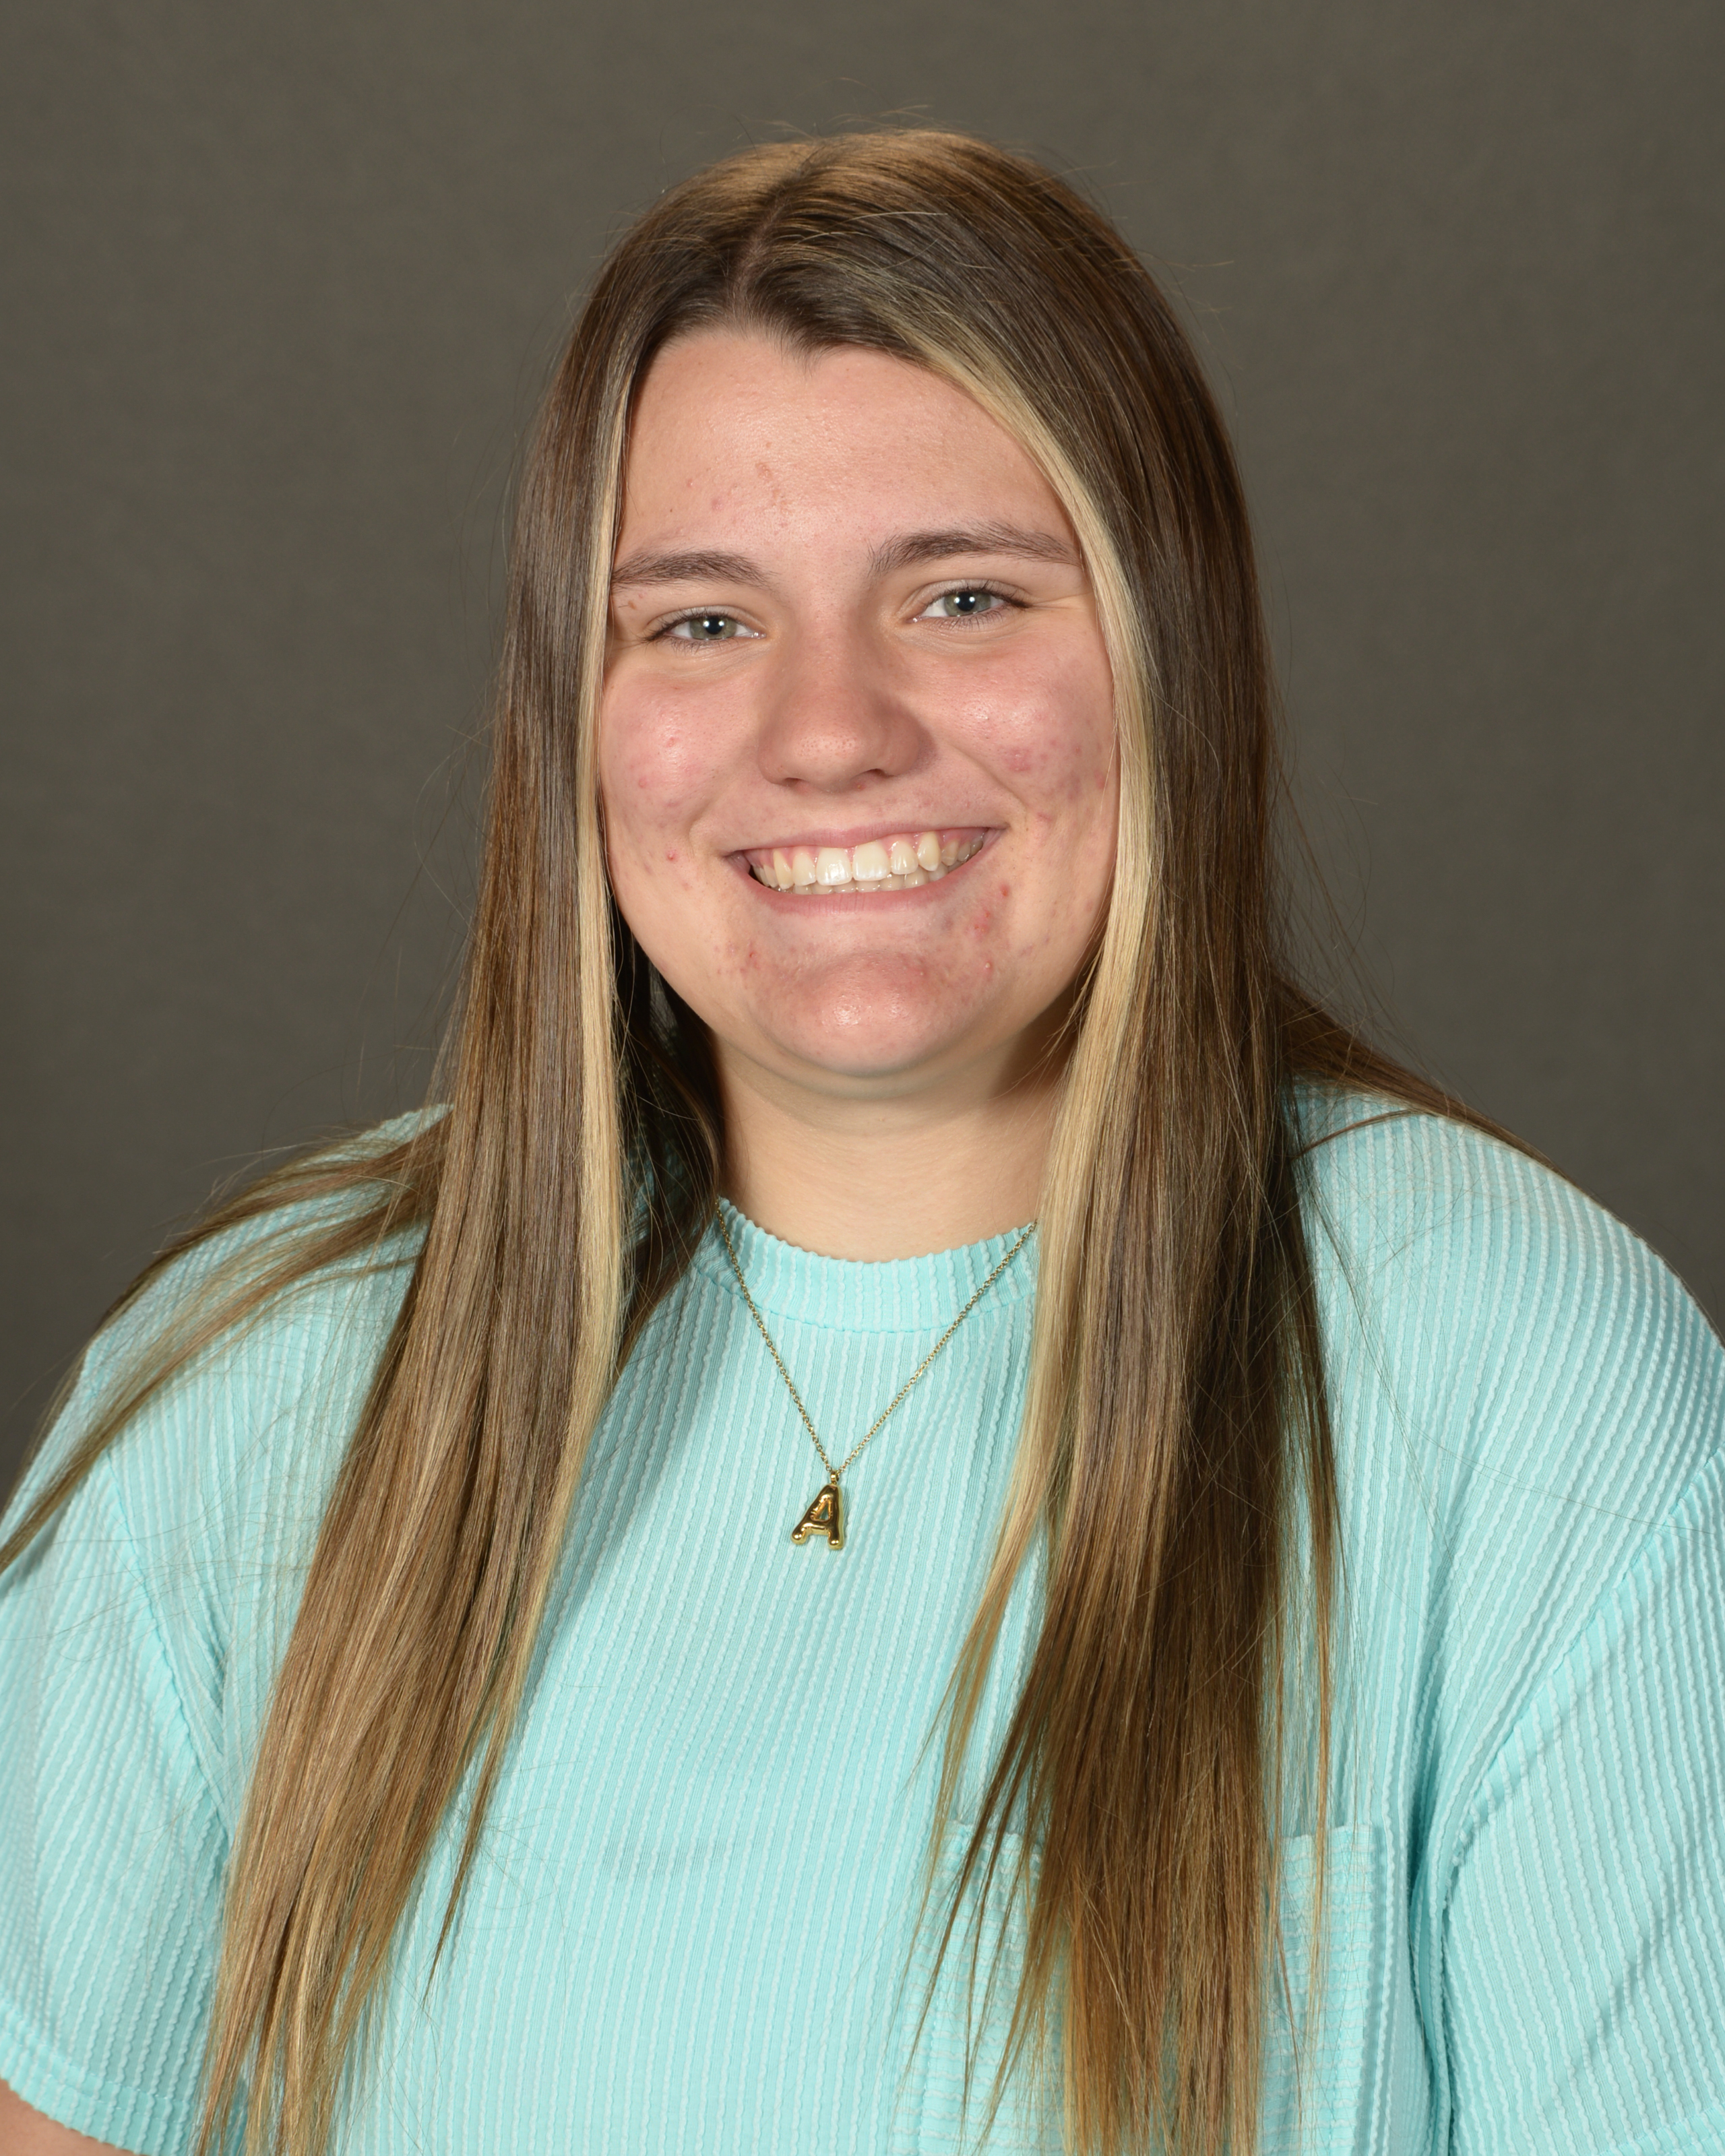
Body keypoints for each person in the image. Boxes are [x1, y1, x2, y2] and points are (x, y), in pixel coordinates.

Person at [1, 129, 1721, 2156]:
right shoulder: (255, 1387)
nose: (830, 732)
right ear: (578, 712)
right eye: (700, 623)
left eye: (964, 597)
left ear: (1169, 651)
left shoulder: (1530, 1385)